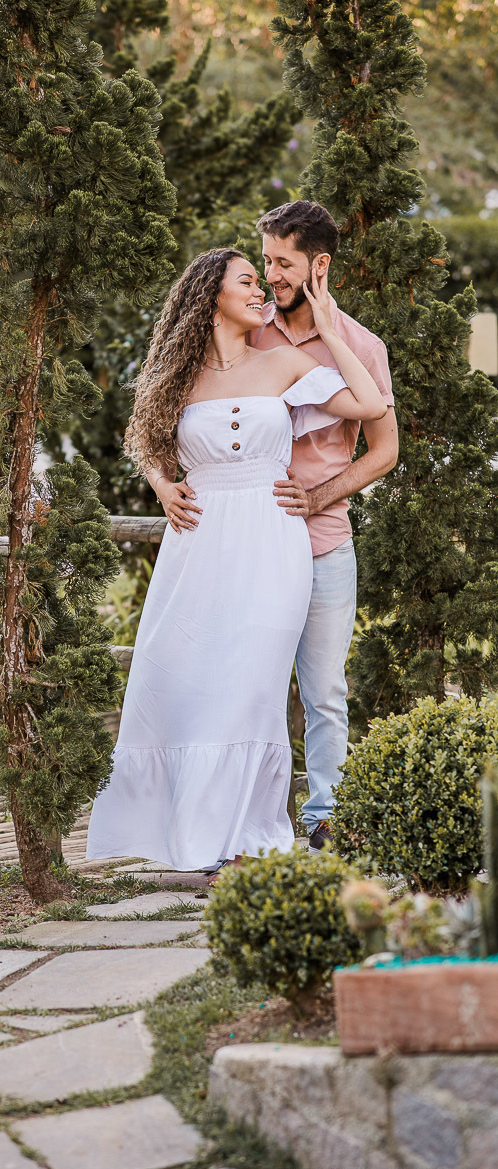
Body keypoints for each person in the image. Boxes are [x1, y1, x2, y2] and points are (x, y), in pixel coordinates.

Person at [85, 248, 387, 877]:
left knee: (254, 683)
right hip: (197, 544)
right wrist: (162, 484)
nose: (260, 291)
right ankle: (195, 833)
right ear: (209, 295)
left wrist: (328, 326)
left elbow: (370, 406)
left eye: (261, 280)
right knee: (195, 682)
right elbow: (143, 437)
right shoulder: (179, 373)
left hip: (273, 542)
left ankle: (252, 837)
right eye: (246, 281)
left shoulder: (285, 362)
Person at [252, 201, 398, 852]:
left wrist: (318, 498)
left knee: (325, 693)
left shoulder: (362, 347)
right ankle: (252, 823)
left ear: (318, 265)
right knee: (246, 687)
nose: (270, 276)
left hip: (323, 546)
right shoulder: (246, 332)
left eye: (282, 263)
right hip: (248, 546)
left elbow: (385, 449)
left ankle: (323, 819)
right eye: (264, 262)